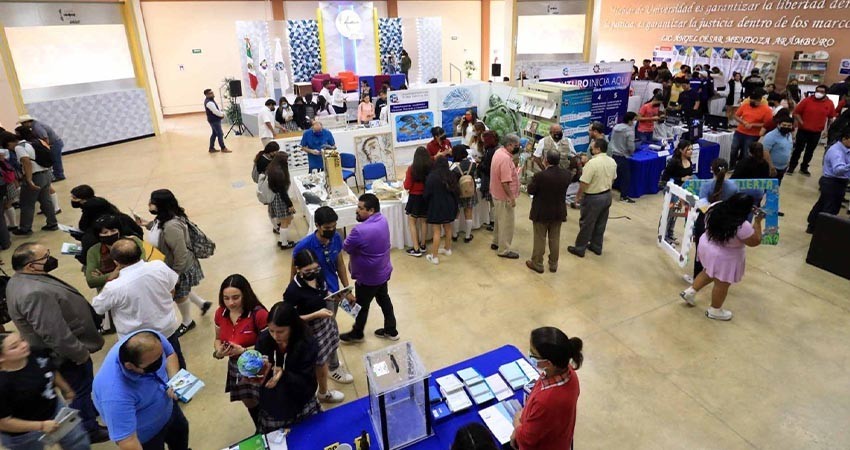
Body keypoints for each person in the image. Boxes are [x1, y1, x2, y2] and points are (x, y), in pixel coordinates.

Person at [6, 243, 108, 443]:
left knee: (81, 389)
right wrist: (80, 354)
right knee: (79, 389)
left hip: (65, 350)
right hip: (67, 355)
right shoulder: (33, 293)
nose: (50, 259)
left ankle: (89, 411)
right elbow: (55, 333)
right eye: (45, 257)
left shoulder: (20, 280)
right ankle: (88, 428)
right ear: (30, 266)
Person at [92, 238, 186, 366]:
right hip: (167, 330)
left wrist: (109, 279)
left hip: (137, 342)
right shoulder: (158, 266)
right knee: (176, 365)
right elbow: (172, 288)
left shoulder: (114, 287)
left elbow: (98, 307)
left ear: (116, 261)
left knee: (148, 374)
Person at [290, 206, 355, 384]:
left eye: (334, 226)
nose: (331, 231)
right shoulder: (304, 246)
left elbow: (340, 264)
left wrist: (346, 289)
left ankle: (329, 362)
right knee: (327, 332)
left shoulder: (336, 238)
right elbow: (294, 273)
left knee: (331, 329)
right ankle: (333, 367)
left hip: (333, 292)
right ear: (317, 226)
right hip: (314, 298)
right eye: (327, 228)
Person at [92, 330, 188, 450]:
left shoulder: (151, 340)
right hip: (147, 437)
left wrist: (174, 379)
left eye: (160, 358)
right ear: (130, 366)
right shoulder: (114, 395)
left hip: (170, 411)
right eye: (153, 365)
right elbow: (128, 442)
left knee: (181, 433)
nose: (159, 364)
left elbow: (170, 354)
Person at [137, 189, 210, 336]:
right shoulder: (164, 218)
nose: (149, 205)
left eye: (152, 203)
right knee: (183, 290)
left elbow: (180, 253)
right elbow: (159, 230)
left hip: (178, 268)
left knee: (179, 295)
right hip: (171, 265)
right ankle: (202, 304)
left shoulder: (172, 226)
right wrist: (147, 224)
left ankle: (188, 322)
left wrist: (174, 275)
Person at [680, 193, 764, 320]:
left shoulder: (715, 206)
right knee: (722, 284)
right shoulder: (742, 225)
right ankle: (715, 310)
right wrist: (757, 222)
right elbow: (754, 241)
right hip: (725, 257)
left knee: (708, 271)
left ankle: (690, 292)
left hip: (707, 246)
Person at [0, 332, 90, 450]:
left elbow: (50, 370)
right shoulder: (3, 383)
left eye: (22, 340)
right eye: (14, 347)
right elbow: (4, 423)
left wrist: (66, 389)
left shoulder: (36, 353)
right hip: (23, 433)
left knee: (78, 442)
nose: (23, 345)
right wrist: (41, 426)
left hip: (54, 409)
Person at [284, 249, 346, 403]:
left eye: (315, 268)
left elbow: (323, 292)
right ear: (298, 269)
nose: (313, 272)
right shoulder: (292, 291)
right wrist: (316, 315)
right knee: (319, 362)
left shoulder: (319, 275)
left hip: (324, 323)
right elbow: (290, 319)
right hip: (309, 330)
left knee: (329, 352)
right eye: (308, 270)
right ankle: (323, 393)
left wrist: (333, 295)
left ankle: (330, 369)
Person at [510, 327, 582, 450]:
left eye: (533, 354)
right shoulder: (569, 373)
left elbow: (527, 440)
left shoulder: (546, 401)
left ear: (548, 363)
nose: (530, 355)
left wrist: (517, 424)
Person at [339, 194, 398, 343]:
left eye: (360, 208)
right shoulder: (383, 220)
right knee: (384, 300)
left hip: (367, 278)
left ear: (371, 210)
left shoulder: (359, 231)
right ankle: (391, 330)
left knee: (360, 306)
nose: (356, 211)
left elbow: (346, 247)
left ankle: (357, 333)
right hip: (383, 272)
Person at [212, 274, 268, 429]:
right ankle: (260, 427)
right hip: (236, 366)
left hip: (259, 364)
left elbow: (270, 344)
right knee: (249, 400)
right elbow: (217, 338)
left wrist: (243, 350)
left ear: (245, 294)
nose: (230, 303)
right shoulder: (220, 313)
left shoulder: (259, 314)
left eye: (236, 297)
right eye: (226, 298)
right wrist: (219, 351)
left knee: (267, 398)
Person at [253, 302, 320, 433]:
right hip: (274, 405)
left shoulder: (307, 343)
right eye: (271, 330)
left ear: (292, 327)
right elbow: (258, 369)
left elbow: (306, 379)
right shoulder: (264, 340)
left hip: (301, 400)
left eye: (280, 331)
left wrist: (284, 375)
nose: (275, 336)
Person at [690, 158, 739, 281]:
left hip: (706, 221)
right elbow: (735, 205)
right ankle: (716, 273)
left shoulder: (706, 186)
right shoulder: (733, 187)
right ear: (727, 170)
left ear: (712, 169)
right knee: (721, 248)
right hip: (725, 221)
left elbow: (702, 206)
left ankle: (697, 276)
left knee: (700, 250)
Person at [0, 132, 56, 235]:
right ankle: (53, 223)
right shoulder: (31, 142)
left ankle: (25, 228)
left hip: (34, 176)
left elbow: (26, 162)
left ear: (10, 142)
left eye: (8, 147)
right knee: (46, 200)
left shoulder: (19, 147)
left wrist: (29, 180)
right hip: (45, 173)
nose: (10, 149)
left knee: (26, 203)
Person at [568, 138, 617, 258]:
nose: (591, 148)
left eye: (593, 147)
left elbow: (584, 182)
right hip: (607, 195)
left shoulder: (592, 163)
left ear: (598, 149)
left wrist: (578, 197)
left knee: (587, 223)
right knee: (601, 222)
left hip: (593, 197)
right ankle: (596, 246)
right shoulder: (612, 161)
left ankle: (580, 248)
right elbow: (613, 178)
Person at [526, 150, 571, 274]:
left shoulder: (540, 176)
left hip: (541, 211)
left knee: (540, 238)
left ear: (546, 160)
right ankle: (553, 264)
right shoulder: (566, 175)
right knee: (555, 238)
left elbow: (531, 190)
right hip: (558, 211)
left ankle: (537, 263)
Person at [84, 215, 147, 292]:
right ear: (98, 235)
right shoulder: (94, 251)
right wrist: (113, 274)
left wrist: (108, 276)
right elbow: (91, 281)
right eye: (105, 232)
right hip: (110, 293)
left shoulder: (133, 241)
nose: (109, 234)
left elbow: (143, 264)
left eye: (113, 230)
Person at [806, 131, 850, 234]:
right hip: (832, 182)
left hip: (837, 182)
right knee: (830, 208)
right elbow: (838, 170)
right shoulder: (837, 151)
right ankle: (821, 231)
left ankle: (812, 225)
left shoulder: (845, 149)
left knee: (822, 204)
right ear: (844, 139)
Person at [788, 85, 837, 175]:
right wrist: (801, 122)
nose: (818, 93)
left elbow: (830, 118)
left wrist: (827, 130)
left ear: (825, 93)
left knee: (810, 151)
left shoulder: (829, 103)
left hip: (816, 132)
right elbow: (796, 113)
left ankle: (804, 168)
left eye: (821, 91)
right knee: (798, 150)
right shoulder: (807, 100)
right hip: (803, 130)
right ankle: (791, 167)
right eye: (817, 91)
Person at [490, 134, 521, 259]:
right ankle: (504, 249)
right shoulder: (505, 159)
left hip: (496, 193)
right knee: (507, 224)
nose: (518, 148)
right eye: (516, 146)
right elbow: (505, 182)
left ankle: (496, 242)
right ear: (509, 145)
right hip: (504, 196)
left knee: (499, 220)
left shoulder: (498, 152)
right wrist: (511, 197)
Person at [423, 157, 459, 265]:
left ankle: (434, 257)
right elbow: (456, 192)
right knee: (448, 228)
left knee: (437, 231)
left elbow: (426, 194)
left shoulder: (432, 177)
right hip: (450, 206)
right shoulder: (451, 175)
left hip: (436, 206)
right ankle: (447, 249)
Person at [660, 140, 695, 244]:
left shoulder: (689, 160)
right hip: (671, 189)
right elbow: (665, 177)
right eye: (688, 149)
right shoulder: (674, 162)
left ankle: (670, 234)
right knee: (669, 213)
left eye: (691, 149)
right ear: (680, 150)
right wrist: (681, 179)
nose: (690, 151)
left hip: (682, 191)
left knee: (676, 213)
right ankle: (663, 234)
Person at [730, 89, 772, 169]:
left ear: (759, 100)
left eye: (754, 101)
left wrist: (753, 125)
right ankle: (732, 166)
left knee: (747, 153)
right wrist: (743, 122)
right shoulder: (745, 105)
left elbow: (767, 124)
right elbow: (736, 116)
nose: (752, 103)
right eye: (751, 101)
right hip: (740, 131)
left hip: (752, 135)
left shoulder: (766, 110)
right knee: (734, 149)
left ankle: (743, 168)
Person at [403, 146, 432, 256]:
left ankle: (416, 248)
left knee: (412, 222)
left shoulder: (412, 168)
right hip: (426, 196)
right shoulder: (430, 167)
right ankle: (423, 245)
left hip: (415, 197)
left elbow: (407, 186)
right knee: (424, 221)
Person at [18, 115, 64, 181]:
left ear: (27, 122)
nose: (22, 125)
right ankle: (58, 174)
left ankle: (59, 175)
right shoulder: (36, 125)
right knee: (55, 159)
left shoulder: (36, 127)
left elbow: (45, 137)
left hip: (54, 143)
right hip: (55, 143)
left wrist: (45, 148)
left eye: (22, 123)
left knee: (56, 160)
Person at [266, 152, 296, 249]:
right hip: (281, 199)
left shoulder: (271, 168)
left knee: (285, 220)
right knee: (285, 221)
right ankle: (284, 243)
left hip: (275, 197)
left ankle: (282, 240)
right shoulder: (279, 173)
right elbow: (283, 192)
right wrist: (290, 205)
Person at [450, 145, 478, 243]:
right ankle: (467, 236)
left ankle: (454, 235)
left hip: (458, 193)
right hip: (470, 191)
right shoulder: (472, 164)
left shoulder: (453, 167)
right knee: (469, 212)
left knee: (456, 214)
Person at [610, 112, 637, 203]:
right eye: (634, 120)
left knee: (612, 175)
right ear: (630, 121)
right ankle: (624, 196)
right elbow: (631, 146)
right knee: (626, 177)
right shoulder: (629, 131)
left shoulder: (616, 127)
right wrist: (631, 152)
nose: (634, 122)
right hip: (622, 156)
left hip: (613, 154)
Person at [478, 130, 500, 230]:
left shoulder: (491, 151)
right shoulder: (492, 149)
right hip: (491, 179)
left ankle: (493, 222)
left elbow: (488, 168)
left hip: (491, 180)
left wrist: (480, 165)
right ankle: (492, 221)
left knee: (493, 203)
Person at [763, 116, 795, 185]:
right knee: (768, 188)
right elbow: (765, 152)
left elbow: (788, 149)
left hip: (783, 167)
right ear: (778, 125)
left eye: (789, 126)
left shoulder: (789, 135)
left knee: (776, 187)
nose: (786, 127)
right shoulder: (770, 136)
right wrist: (771, 167)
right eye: (784, 125)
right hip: (772, 168)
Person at [203, 88, 229, 153]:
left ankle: (211, 148)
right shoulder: (209, 102)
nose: (212, 94)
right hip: (214, 120)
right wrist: (222, 115)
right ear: (206, 95)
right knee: (220, 134)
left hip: (212, 120)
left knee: (214, 134)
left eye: (212, 92)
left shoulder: (210, 101)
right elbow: (215, 111)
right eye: (210, 93)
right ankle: (223, 148)